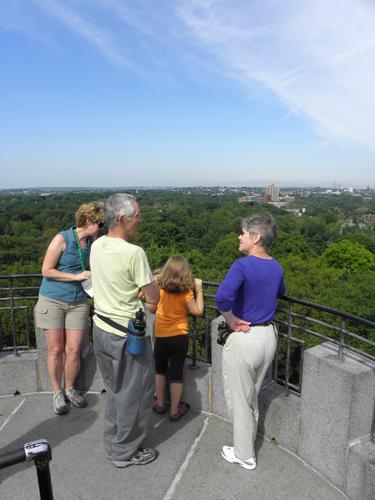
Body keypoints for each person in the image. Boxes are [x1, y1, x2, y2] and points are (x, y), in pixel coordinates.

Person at [90, 193, 160, 468]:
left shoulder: (97, 245)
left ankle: (113, 440)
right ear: (121, 219)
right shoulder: (134, 253)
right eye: (137, 215)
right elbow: (154, 299)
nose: (139, 220)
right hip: (127, 335)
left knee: (115, 389)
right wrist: (146, 293)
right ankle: (124, 451)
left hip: (101, 329)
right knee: (136, 393)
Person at [215, 213, 285, 470]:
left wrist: (231, 319)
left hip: (245, 337)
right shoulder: (276, 266)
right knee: (251, 395)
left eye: (243, 232)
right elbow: (281, 292)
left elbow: (222, 297)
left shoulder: (242, 265)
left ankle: (244, 454)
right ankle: (248, 441)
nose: (239, 236)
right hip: (269, 337)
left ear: (255, 237)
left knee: (240, 399)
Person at [34, 201, 105, 415]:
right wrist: (75, 276)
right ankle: (57, 393)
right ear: (89, 220)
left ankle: (70, 388)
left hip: (78, 301)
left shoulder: (93, 241)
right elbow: (46, 270)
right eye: (101, 223)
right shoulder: (61, 238)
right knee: (56, 349)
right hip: (53, 299)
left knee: (74, 350)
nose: (103, 228)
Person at [153, 256, 204, 421]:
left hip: (161, 336)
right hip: (180, 336)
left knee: (159, 370)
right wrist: (199, 291)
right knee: (176, 373)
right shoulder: (186, 292)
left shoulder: (159, 288)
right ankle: (174, 410)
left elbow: (150, 306)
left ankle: (160, 404)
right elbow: (198, 312)